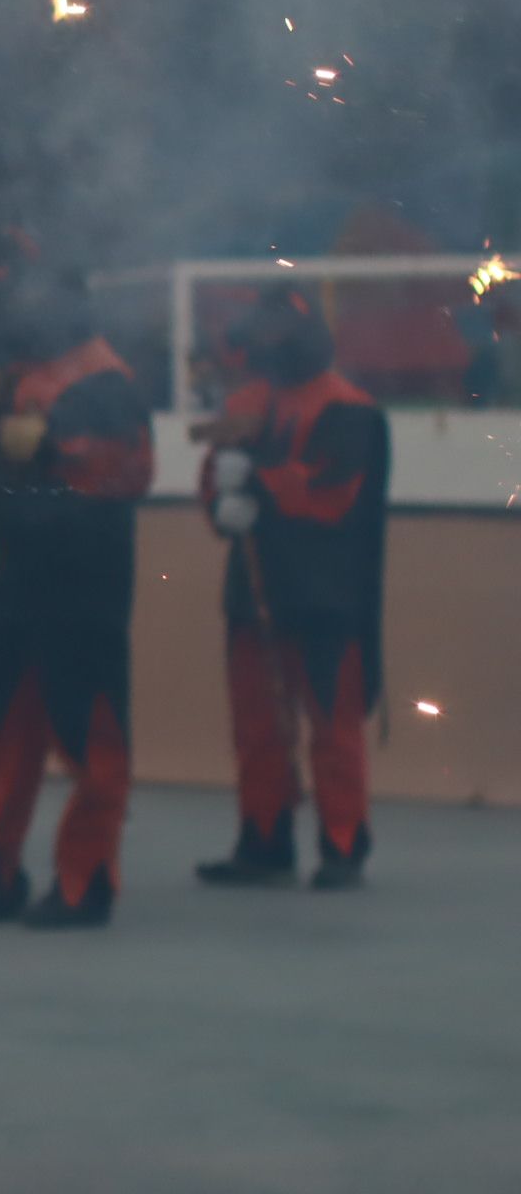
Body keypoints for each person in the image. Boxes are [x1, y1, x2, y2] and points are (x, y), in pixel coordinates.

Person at [0, 273, 154, 928]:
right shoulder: (25, 377)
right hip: (15, 583)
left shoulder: (106, 381)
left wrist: (49, 448)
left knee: (93, 743)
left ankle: (86, 884)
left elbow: (128, 472)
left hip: (82, 591)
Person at [195, 287, 390, 890]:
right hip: (254, 597)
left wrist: (253, 483)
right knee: (257, 727)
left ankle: (341, 844)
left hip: (326, 597)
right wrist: (218, 497)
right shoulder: (249, 401)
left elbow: (330, 493)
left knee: (333, 727)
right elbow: (216, 477)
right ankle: (264, 840)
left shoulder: (351, 408)